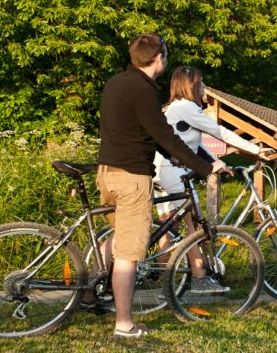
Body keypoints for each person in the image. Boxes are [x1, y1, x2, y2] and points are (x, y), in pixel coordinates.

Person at [96, 33, 231, 338]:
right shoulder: (143, 91)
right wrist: (205, 166)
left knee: (118, 237)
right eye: (166, 55)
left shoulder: (116, 83)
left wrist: (176, 157)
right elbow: (165, 135)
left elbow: (146, 136)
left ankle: (91, 294)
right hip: (131, 177)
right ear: (159, 58)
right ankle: (124, 324)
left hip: (107, 171)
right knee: (130, 253)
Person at [153, 65, 266, 294]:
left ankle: (160, 281)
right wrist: (256, 150)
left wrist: (219, 164)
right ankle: (199, 277)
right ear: (192, 85)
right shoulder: (186, 108)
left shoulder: (177, 108)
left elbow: (198, 144)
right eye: (201, 82)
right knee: (195, 222)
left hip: (160, 168)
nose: (204, 86)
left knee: (168, 225)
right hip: (172, 169)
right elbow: (219, 132)